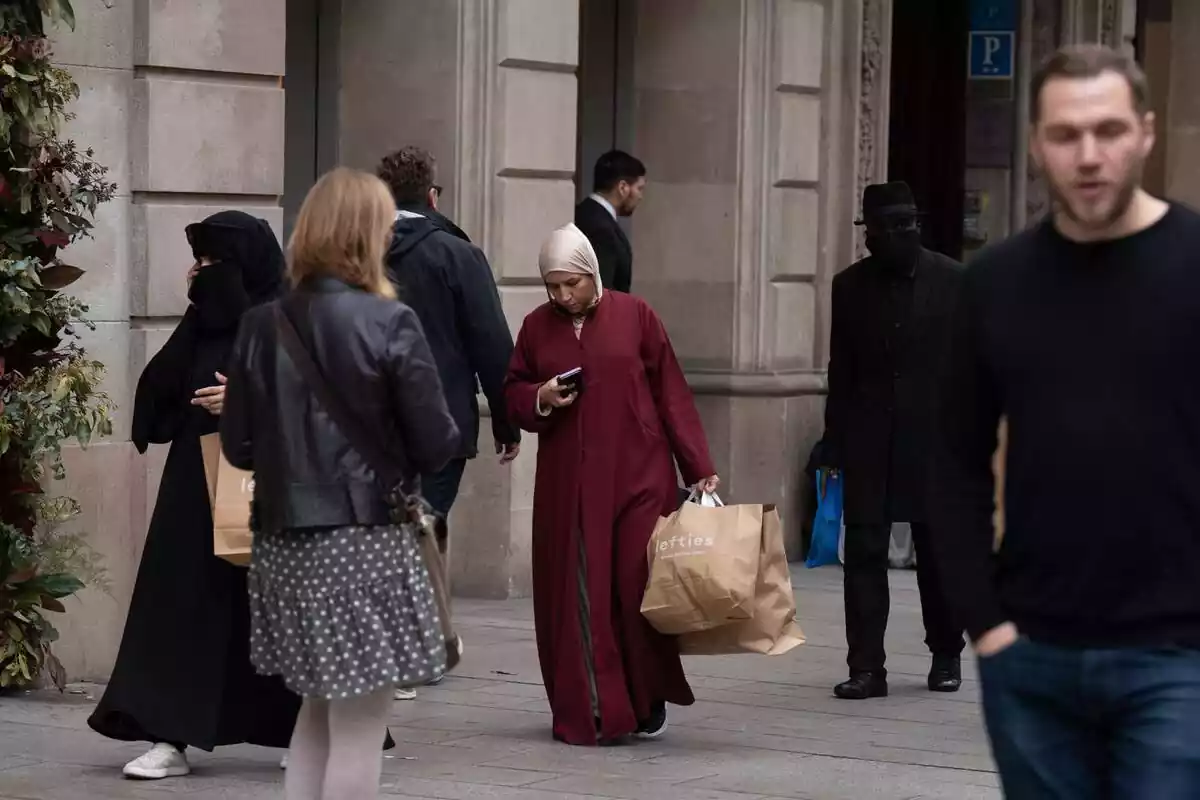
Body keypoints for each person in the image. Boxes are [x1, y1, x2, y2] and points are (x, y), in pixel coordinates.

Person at [933, 44, 1200, 798]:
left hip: (1178, 661)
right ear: (1035, 144)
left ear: (1145, 132)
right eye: (1065, 135)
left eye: (1109, 130)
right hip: (1033, 654)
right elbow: (952, 460)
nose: (1089, 156)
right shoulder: (994, 284)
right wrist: (986, 625)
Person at [220, 167, 460, 800]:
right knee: (357, 723)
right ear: (368, 234)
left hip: (282, 544)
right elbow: (439, 443)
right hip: (365, 542)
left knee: (317, 710)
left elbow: (239, 445)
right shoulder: (389, 322)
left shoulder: (261, 324)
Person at [88, 211, 300, 779]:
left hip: (265, 484)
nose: (197, 274)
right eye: (197, 263)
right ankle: (169, 735)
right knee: (180, 604)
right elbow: (162, 384)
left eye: (209, 264)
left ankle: (311, 729)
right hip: (194, 481)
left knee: (278, 608)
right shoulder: (206, 318)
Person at [504, 223, 719, 746]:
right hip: (570, 486)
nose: (562, 296)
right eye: (552, 286)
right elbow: (512, 390)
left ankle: (645, 699)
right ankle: (594, 706)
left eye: (570, 284)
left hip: (638, 476)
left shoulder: (636, 314)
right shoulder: (536, 327)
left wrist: (698, 464)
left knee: (635, 587)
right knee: (581, 592)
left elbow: (670, 390)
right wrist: (542, 397)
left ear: (592, 273)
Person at [823, 181, 965, 700]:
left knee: (939, 553)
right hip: (868, 439)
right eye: (883, 230)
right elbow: (842, 368)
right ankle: (867, 667)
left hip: (936, 441)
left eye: (903, 226)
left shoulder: (953, 281)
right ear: (869, 236)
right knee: (862, 553)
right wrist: (832, 439)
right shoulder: (849, 286)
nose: (892, 237)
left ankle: (946, 653)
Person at [375, 145, 520, 521]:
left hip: (368, 426)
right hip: (442, 423)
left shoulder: (351, 254)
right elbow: (490, 343)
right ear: (431, 196)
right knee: (419, 542)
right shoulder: (459, 255)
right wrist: (506, 421)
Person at [574, 150, 645, 293]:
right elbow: (601, 293)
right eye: (639, 188)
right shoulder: (601, 229)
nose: (640, 196)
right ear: (623, 188)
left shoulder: (585, 213)